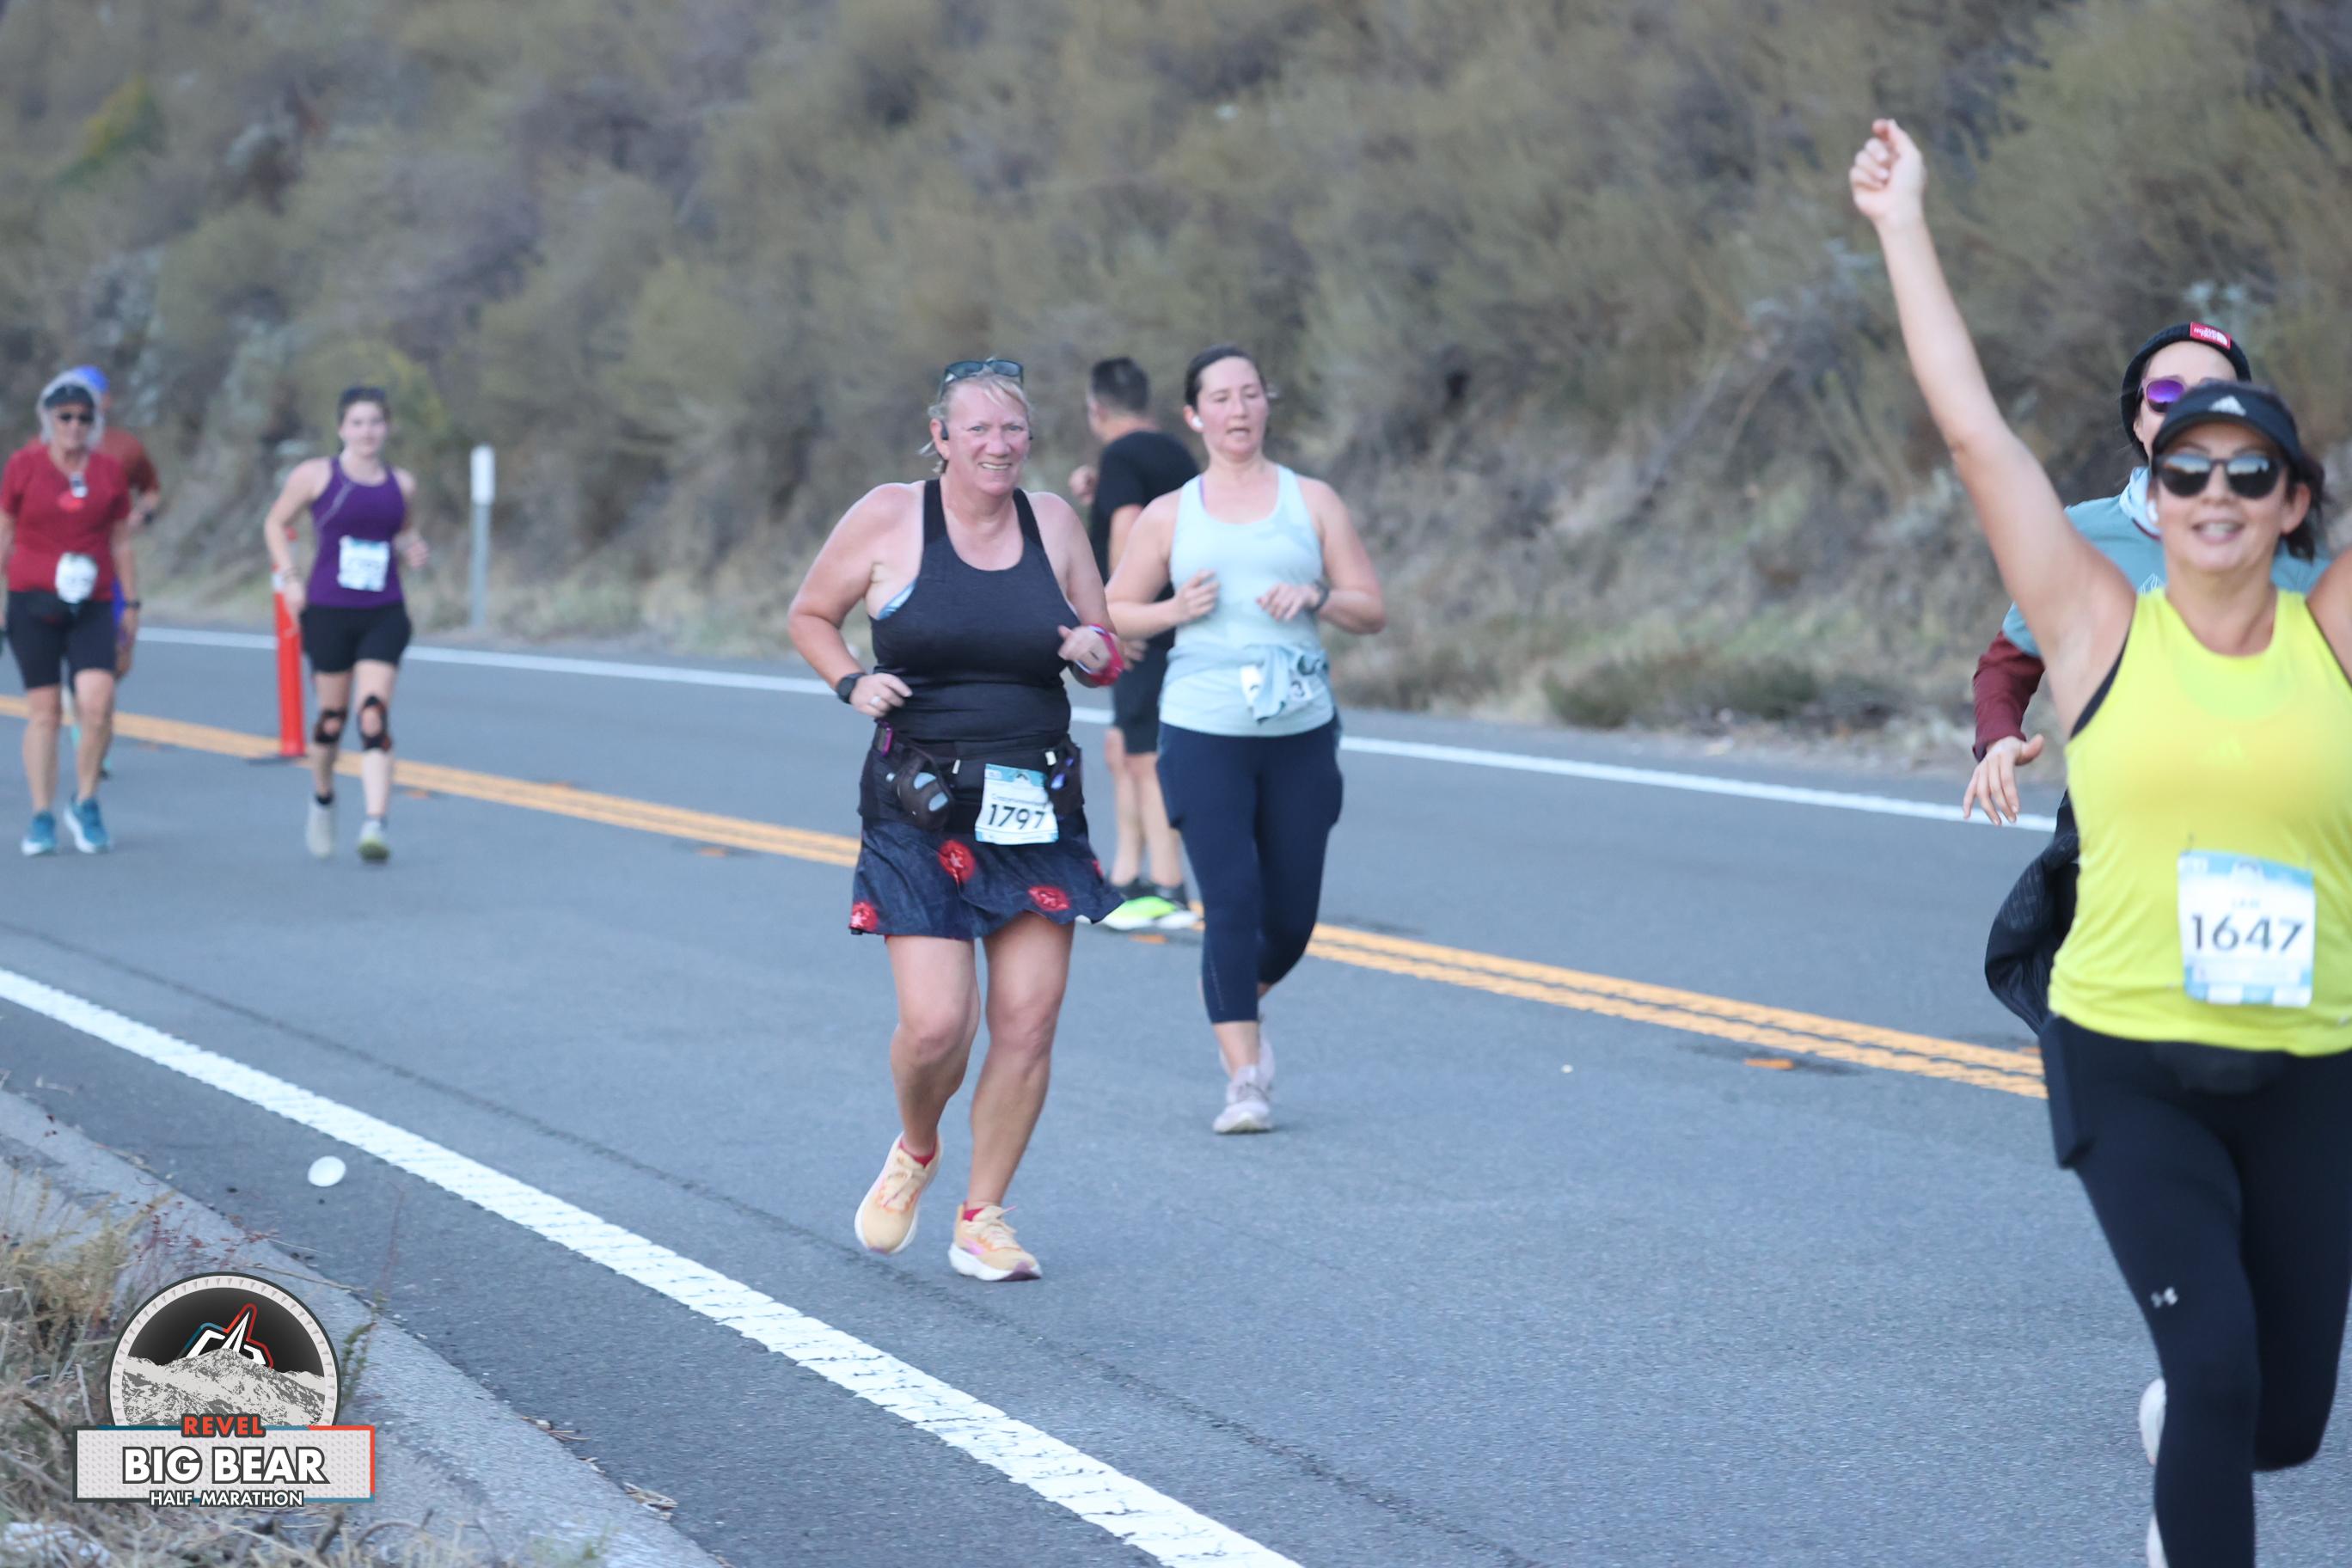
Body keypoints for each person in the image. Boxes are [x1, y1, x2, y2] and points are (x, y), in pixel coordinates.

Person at [1857, 118, 2352, 1568]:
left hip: (2313, 1059)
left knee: (2280, 1421)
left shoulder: (2330, 640)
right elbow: (1974, 434)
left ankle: (2194, 1445)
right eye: (2187, 472)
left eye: (2248, 473)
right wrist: (1901, 227)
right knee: (2214, 1370)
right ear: (2156, 491)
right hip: (2130, 1053)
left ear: (2294, 502)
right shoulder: (2095, 628)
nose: (2214, 495)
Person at [787, 359, 1123, 1283]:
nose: (997, 445)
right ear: (941, 437)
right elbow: (811, 614)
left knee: (1029, 1020)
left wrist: (1092, 649)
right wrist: (851, 681)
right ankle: (917, 1145)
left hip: (1034, 803)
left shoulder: (1053, 523)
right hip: (920, 803)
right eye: (977, 428)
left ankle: (983, 1218)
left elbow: (1104, 651)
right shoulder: (890, 516)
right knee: (938, 1027)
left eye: (1012, 429)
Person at [1106, 346, 1386, 1133]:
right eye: (1221, 398)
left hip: (1299, 731)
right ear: (1194, 415)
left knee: (1289, 920)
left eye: (1250, 394)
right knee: (1230, 903)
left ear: (1267, 403)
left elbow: (1371, 607)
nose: (1238, 409)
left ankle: (1232, 998)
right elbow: (1115, 609)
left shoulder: (1312, 501)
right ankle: (1245, 1078)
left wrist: (1318, 596)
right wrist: (1174, 611)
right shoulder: (1173, 513)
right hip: (1203, 731)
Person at [1963, 323, 2323, 827]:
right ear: (2137, 420)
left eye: (2212, 396)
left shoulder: (2299, 562)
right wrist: (2000, 737)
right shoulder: (2081, 535)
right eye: (2166, 394)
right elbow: (2010, 661)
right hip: (2112, 820)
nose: (2186, 412)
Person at [260, 387, 426, 865]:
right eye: (357, 423)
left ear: (387, 428)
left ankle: (375, 823)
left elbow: (404, 532)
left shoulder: (402, 484)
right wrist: (289, 578)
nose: (367, 432)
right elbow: (275, 524)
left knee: (372, 714)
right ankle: (323, 794)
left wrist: (413, 549)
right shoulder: (316, 475)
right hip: (329, 610)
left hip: (384, 610)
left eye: (375, 422)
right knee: (331, 720)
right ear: (341, 429)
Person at [1067, 357, 1198, 931]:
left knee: (1145, 756)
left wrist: (1120, 618)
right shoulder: (1176, 455)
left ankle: (1169, 887)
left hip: (1147, 629)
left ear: (1096, 409)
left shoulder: (1121, 456)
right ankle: (1125, 880)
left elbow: (1127, 527)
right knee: (1123, 748)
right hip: (1179, 621)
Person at [1, 375, 137, 854]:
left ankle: (85, 801)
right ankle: (41, 816)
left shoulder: (108, 472)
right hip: (32, 601)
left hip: (92, 603)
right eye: (65, 417)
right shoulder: (23, 466)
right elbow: (4, 532)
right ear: (48, 420)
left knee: (97, 704)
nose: (74, 426)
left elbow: (121, 541)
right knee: (45, 714)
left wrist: (131, 604)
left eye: (83, 418)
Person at [64, 365, 162, 683]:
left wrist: (141, 514)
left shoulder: (125, 446)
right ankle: (80, 692)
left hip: (111, 561)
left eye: (91, 396)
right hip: (61, 562)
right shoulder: (44, 448)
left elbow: (151, 489)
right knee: (72, 647)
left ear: (106, 401)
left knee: (121, 649)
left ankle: (90, 692)